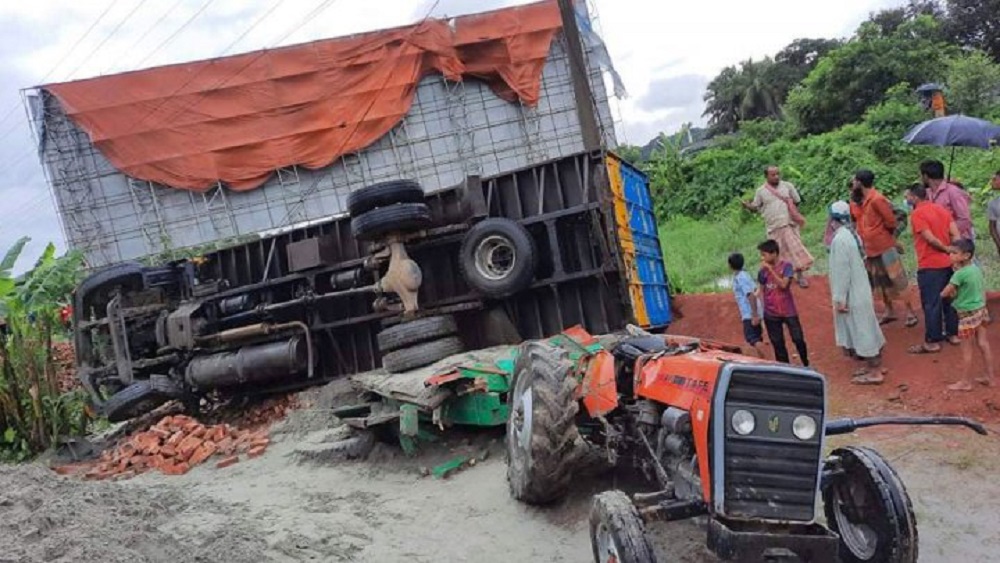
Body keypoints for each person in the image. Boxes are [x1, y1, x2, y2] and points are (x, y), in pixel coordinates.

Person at [848, 170, 919, 327]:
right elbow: (854, 220)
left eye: (853, 182)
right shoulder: (855, 201)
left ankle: (910, 311)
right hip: (868, 248)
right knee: (879, 280)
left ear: (860, 183)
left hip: (884, 246)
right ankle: (889, 310)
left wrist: (889, 237)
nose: (851, 185)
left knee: (897, 279)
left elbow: (891, 221)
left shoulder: (877, 199)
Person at [826, 201, 886, 384]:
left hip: (852, 293)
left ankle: (875, 372)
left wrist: (840, 299)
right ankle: (874, 366)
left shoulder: (840, 240)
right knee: (868, 328)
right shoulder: (852, 234)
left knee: (862, 332)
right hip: (861, 289)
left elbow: (842, 272)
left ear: (832, 219)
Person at [904, 184, 961, 354]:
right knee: (949, 300)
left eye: (907, 196)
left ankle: (933, 341)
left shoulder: (917, 214)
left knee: (931, 303)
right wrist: (954, 253)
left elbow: (929, 238)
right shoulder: (941, 209)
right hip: (948, 263)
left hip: (930, 265)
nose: (906, 199)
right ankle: (953, 334)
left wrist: (945, 248)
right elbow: (956, 234)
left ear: (915, 197)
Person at [742, 166, 813, 288]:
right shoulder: (761, 191)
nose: (776, 177)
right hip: (773, 227)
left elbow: (797, 201)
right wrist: (748, 206)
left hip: (788, 224)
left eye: (777, 174)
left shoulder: (787, 186)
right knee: (776, 254)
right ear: (766, 176)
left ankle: (800, 277)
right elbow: (756, 207)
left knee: (794, 251)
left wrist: (791, 211)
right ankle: (782, 278)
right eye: (773, 175)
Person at [941, 239, 995, 391]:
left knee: (967, 350)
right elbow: (981, 289)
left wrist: (940, 294)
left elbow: (945, 293)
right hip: (980, 310)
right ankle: (990, 377)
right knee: (983, 344)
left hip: (966, 315)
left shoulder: (959, 275)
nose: (950, 255)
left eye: (954, 253)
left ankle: (965, 382)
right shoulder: (975, 269)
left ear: (966, 255)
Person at [756, 239, 809, 366]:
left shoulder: (786, 266)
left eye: (764, 254)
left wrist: (770, 270)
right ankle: (786, 368)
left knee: (798, 339)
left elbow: (784, 285)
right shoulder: (762, 272)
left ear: (774, 253)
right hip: (771, 312)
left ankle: (805, 363)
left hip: (788, 310)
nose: (762, 258)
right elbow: (760, 290)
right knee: (778, 343)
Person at [920, 160, 974, 240]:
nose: (920, 178)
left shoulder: (953, 192)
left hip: (957, 241)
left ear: (925, 176)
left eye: (920, 175)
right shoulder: (927, 193)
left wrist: (946, 232)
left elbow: (965, 219)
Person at [728, 253, 766, 358]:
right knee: (756, 337)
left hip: (749, 313)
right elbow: (755, 291)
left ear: (730, 265)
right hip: (753, 311)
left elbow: (750, 295)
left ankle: (768, 360)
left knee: (752, 338)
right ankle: (763, 361)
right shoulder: (745, 274)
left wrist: (754, 315)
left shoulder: (740, 277)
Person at [988, 170, 1000, 257]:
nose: (992, 182)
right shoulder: (993, 203)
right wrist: (998, 245)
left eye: (995, 179)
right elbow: (992, 227)